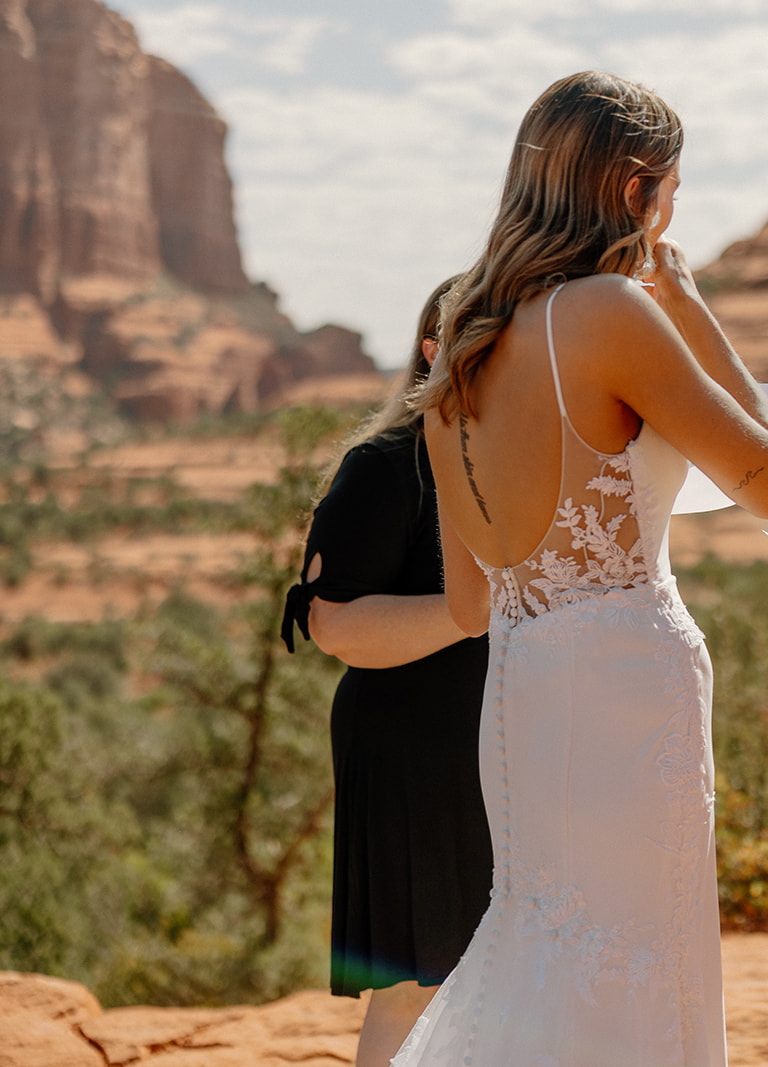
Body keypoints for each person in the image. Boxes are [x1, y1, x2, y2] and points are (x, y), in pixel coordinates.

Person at [390, 71, 768, 1066]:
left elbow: (468, 599)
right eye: (670, 187)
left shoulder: (458, 338)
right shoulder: (610, 309)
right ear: (634, 193)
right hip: (627, 682)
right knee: (640, 953)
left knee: (541, 939)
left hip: (522, 688)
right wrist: (695, 311)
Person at [279, 276, 493, 1067]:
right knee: (417, 975)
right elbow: (333, 623)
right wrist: (477, 610)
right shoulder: (383, 466)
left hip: (503, 738)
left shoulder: (522, 461)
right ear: (434, 352)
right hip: (412, 748)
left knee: (501, 958)